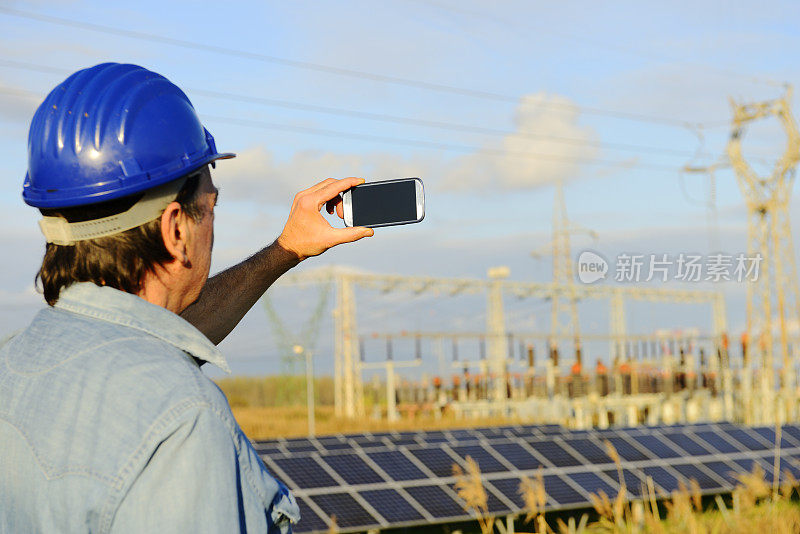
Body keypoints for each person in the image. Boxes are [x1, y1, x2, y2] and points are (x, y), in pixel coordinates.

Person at [0, 63, 373, 533]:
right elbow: (153, 366)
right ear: (176, 228)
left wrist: (286, 249)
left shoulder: (15, 363)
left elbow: (152, 339)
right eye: (212, 206)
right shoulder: (184, 419)